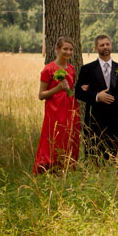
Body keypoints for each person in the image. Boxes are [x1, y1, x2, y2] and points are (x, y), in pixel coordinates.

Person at [75, 35, 118, 162]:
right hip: (93, 121)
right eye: (102, 45)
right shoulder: (87, 69)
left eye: (107, 44)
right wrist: (96, 96)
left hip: (115, 122)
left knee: (111, 159)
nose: (105, 47)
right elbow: (78, 92)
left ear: (111, 45)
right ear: (96, 48)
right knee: (92, 158)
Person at [34, 36, 81, 174]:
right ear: (57, 49)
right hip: (54, 110)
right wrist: (57, 88)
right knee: (53, 137)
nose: (68, 52)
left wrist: (71, 92)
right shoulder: (48, 69)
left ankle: (66, 167)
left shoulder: (71, 69)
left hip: (70, 108)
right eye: (65, 49)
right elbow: (41, 95)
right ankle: (47, 168)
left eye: (71, 50)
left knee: (68, 137)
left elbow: (70, 91)